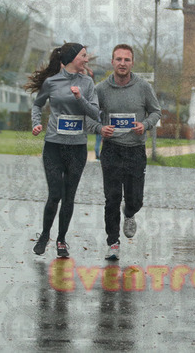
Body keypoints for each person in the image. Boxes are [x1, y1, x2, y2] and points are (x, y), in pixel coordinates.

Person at [87, 44, 161, 261]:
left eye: (126, 60)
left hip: (135, 150)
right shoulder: (101, 89)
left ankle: (129, 213)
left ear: (132, 63)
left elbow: (156, 112)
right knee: (111, 198)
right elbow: (89, 117)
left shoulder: (143, 87)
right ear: (112, 62)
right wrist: (100, 129)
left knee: (135, 199)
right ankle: (113, 243)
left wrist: (145, 125)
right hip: (111, 150)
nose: (122, 63)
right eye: (118, 59)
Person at [25, 42, 100, 258]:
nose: (86, 59)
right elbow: (37, 104)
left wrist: (79, 98)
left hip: (77, 149)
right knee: (55, 194)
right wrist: (36, 123)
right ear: (72, 58)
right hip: (54, 146)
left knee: (68, 196)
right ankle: (44, 235)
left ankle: (61, 240)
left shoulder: (87, 83)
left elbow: (95, 113)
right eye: (83, 55)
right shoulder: (51, 82)